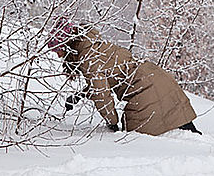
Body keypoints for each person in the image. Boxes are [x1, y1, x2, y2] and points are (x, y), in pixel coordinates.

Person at [48, 18, 201, 136]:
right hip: (157, 78)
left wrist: (113, 123)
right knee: (183, 126)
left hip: (145, 90)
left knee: (134, 137)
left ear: (67, 44)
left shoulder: (88, 57)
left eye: (58, 49)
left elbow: (101, 93)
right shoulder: (93, 46)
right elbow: (104, 79)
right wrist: (80, 95)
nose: (58, 54)